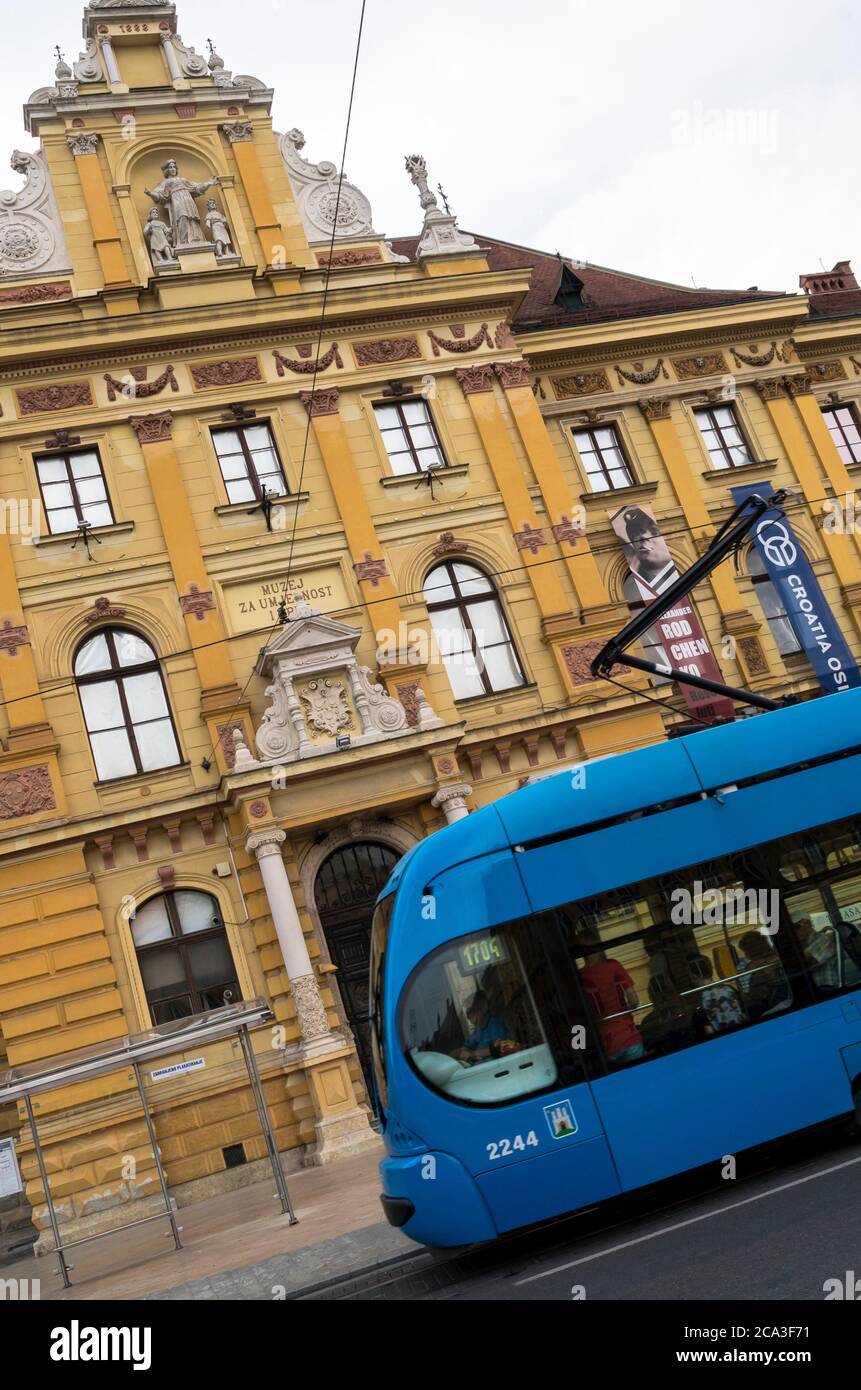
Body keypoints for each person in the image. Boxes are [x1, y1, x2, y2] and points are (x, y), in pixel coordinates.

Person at [577, 938, 644, 1065]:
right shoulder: (613, 966)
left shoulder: (580, 976)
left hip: (606, 1045)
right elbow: (634, 1001)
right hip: (628, 1035)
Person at [738, 932, 792, 1018]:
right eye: (752, 945)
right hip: (764, 1002)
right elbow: (749, 994)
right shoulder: (744, 966)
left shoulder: (775, 954)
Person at [454, 990, 507, 1064]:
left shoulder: (494, 1024)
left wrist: (473, 1053)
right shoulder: (479, 1030)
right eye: (467, 1014)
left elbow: (499, 1047)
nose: (468, 1017)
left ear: (480, 1010)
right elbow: (465, 1047)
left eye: (470, 1012)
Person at [696, 956, 745, 1034]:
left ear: (694, 976)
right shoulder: (728, 988)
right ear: (710, 969)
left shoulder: (700, 998)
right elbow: (743, 1012)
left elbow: (709, 1030)